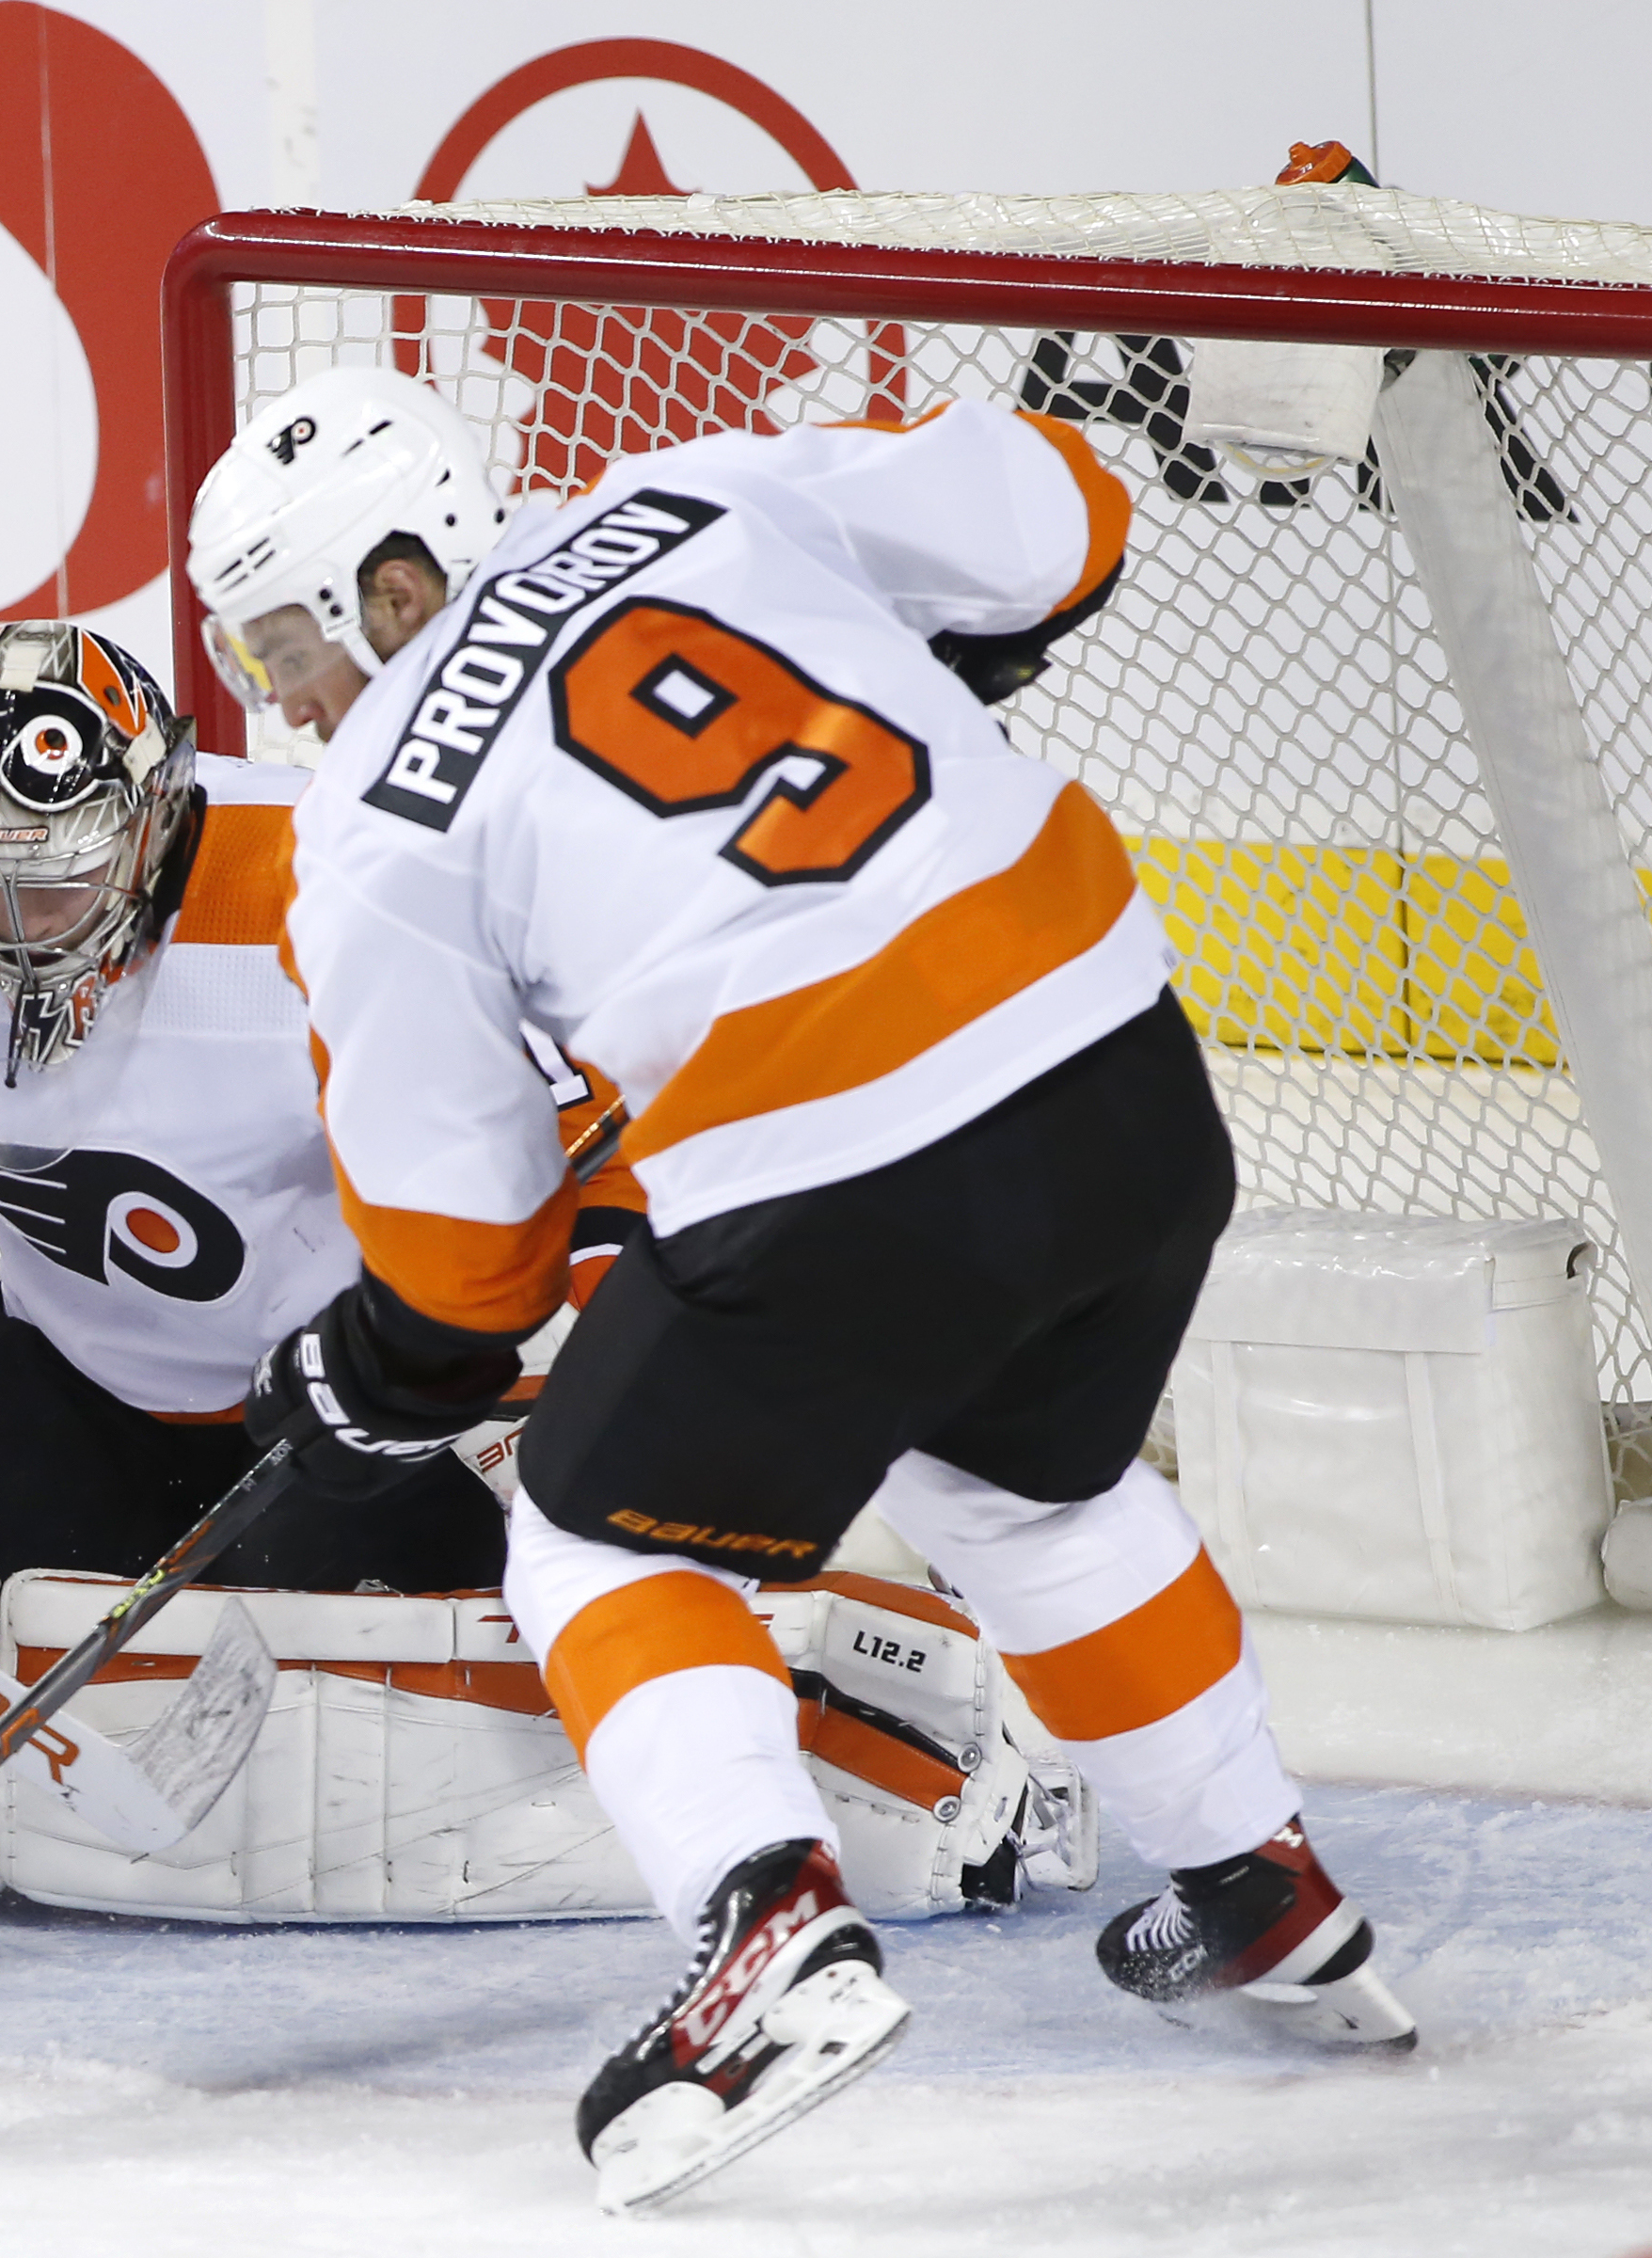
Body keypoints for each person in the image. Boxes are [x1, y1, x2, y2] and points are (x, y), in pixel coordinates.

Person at [197, 366, 1412, 2210]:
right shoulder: (700, 492)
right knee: (1021, 1481)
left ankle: (769, 1942)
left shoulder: (374, 821)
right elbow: (1065, 515)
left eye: (290, 628)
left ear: (395, 573)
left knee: (600, 1543)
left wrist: (365, 1372)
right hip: (1121, 1078)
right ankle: (1267, 1891)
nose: (279, 687)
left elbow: (463, 1268)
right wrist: (945, 646)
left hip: (853, 1164)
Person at [0, 621, 1087, 1931]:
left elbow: (612, 1160)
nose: (24, 933)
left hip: (368, 1394)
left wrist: (540, 1417)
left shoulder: (334, 899)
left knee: (366, 1708)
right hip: (70, 1368)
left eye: (62, 883)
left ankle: (872, 1671)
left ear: (158, 816)